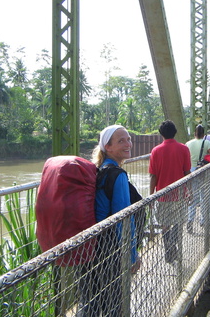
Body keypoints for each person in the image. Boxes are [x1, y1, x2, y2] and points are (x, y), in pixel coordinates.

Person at [81, 124, 139, 317]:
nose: (128, 143)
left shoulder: (98, 170)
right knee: (114, 303)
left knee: (90, 303)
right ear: (108, 147)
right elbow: (123, 219)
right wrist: (131, 255)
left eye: (129, 139)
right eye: (121, 140)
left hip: (89, 246)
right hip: (110, 248)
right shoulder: (117, 175)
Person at [149, 120, 191, 263]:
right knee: (178, 222)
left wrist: (151, 196)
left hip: (162, 195)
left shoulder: (156, 151)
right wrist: (189, 191)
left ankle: (169, 249)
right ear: (175, 132)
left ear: (161, 134)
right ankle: (174, 246)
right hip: (179, 193)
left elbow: (153, 176)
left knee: (165, 224)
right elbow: (187, 173)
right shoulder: (184, 149)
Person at [185, 124, 210, 232]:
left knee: (193, 197)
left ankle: (190, 220)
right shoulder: (207, 142)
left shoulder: (188, 144)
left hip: (191, 172)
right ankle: (203, 221)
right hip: (203, 172)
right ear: (203, 134)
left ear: (194, 133)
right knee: (204, 196)